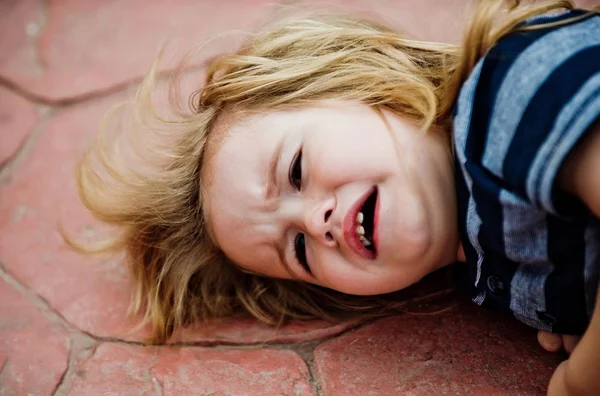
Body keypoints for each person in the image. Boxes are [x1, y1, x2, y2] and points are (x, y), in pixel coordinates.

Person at [71, 0, 600, 393]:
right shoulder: (485, 268)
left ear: (362, 80)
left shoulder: (510, 97)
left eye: (296, 171)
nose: (315, 221)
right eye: (298, 250)